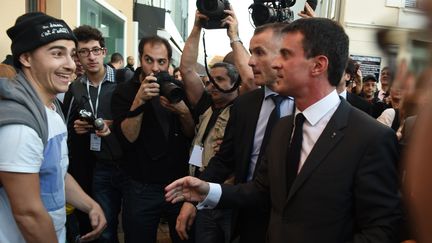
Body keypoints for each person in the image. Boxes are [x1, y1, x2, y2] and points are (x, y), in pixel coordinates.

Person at [166, 18, 402, 243]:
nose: (276, 63)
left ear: (318, 65)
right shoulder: (283, 128)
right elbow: (261, 191)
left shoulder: (371, 137)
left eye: (286, 54)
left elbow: (381, 230)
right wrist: (209, 191)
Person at [176, 21, 294, 243]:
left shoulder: (305, 107)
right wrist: (192, 200)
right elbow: (224, 160)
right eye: (251, 53)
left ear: (285, 56)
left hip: (288, 222)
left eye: (260, 53)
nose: (250, 61)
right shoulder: (244, 105)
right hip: (244, 216)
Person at [0, 12, 106, 243]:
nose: (71, 65)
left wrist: (89, 204)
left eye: (71, 54)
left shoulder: (51, 107)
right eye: (57, 54)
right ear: (26, 58)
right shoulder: (19, 125)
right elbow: (28, 215)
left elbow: (56, 170)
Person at [111, 35, 194, 243]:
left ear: (168, 62)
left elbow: (191, 134)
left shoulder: (176, 88)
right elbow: (128, 137)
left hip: (177, 184)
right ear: (140, 59)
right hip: (141, 186)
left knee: (184, 237)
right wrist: (140, 99)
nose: (155, 68)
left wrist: (183, 111)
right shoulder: (124, 91)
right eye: (149, 60)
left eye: (161, 62)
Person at [177, 9, 240, 243]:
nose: (213, 85)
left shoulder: (245, 109)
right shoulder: (205, 102)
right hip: (198, 193)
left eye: (221, 80)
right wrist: (196, 28)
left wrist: (234, 35)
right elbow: (186, 69)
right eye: (210, 80)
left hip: (223, 196)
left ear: (237, 83)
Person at [62, 25, 125, 243]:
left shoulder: (123, 81)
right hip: (99, 165)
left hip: (128, 163)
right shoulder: (76, 87)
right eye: (84, 52)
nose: (91, 57)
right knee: (105, 229)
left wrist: (115, 125)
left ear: (104, 51)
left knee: (134, 225)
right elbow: (67, 127)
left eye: (95, 50)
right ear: (77, 56)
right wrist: (77, 129)